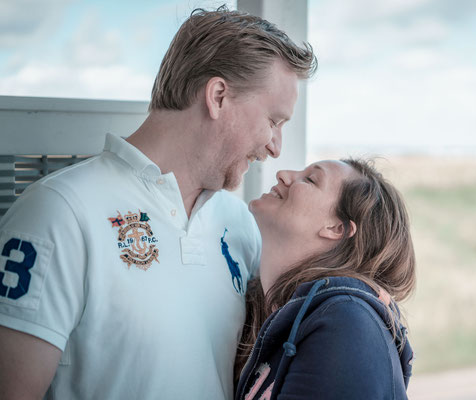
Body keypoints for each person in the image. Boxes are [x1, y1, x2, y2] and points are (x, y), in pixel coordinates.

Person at [0, 7, 315, 400]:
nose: (276, 146)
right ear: (218, 97)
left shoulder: (242, 225)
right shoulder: (58, 212)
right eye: (274, 120)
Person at [235, 158, 416, 400]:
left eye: (310, 179)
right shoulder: (273, 314)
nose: (282, 174)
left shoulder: (347, 326)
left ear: (336, 228)